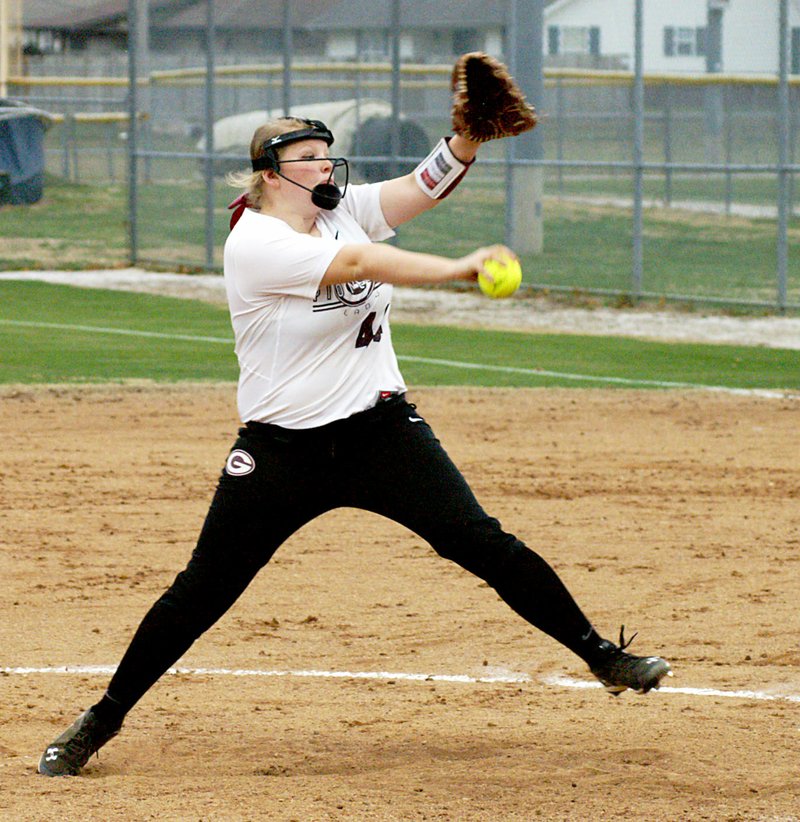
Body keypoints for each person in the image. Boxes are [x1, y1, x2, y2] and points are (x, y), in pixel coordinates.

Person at [38, 109, 672, 777]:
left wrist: (469, 138)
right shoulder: (256, 243)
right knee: (201, 592)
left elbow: (423, 185)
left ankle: (603, 656)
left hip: (379, 434)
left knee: (482, 541)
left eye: (325, 155)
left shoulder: (341, 210)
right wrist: (461, 269)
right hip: (282, 452)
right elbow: (362, 261)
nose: (323, 167)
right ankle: (99, 720)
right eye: (307, 158)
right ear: (270, 176)